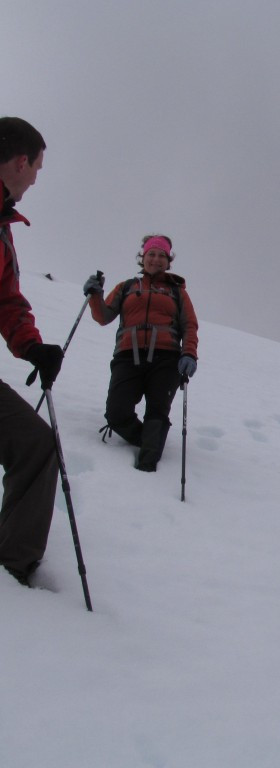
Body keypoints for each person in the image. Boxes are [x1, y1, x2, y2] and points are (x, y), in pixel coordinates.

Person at [0, 117, 64, 586]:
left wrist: (32, 347)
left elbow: (6, 299)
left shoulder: (3, 226)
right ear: (21, 162)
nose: (36, 180)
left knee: (36, 445)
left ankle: (11, 570)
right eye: (37, 169)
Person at [84, 235, 199, 471]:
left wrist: (189, 354)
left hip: (166, 359)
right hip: (128, 356)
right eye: (151, 254)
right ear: (143, 258)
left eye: (161, 256)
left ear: (168, 261)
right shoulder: (127, 287)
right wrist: (95, 295)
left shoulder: (177, 292)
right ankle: (149, 440)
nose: (156, 259)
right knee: (116, 411)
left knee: (157, 410)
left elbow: (189, 325)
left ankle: (148, 468)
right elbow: (102, 317)